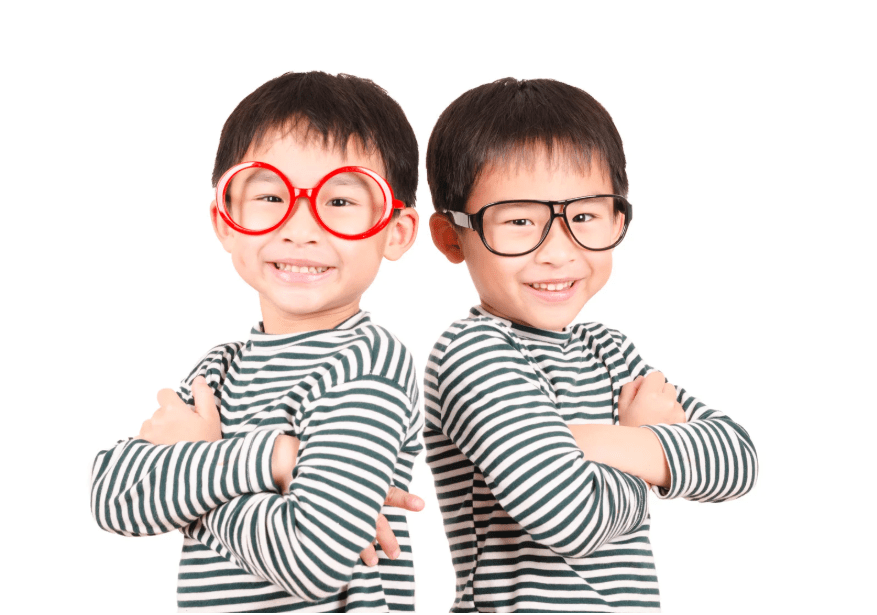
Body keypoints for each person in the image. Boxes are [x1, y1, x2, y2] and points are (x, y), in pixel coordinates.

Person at [91, 71, 424, 612]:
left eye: (339, 203)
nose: (299, 227)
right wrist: (270, 458)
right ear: (226, 222)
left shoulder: (369, 364)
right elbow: (113, 497)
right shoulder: (217, 369)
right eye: (270, 195)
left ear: (396, 232)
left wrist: (199, 464)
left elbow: (310, 559)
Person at [424, 78, 758, 612]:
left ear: (616, 219)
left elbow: (736, 459)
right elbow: (571, 517)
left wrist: (572, 441)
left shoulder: (608, 349)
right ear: (451, 237)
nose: (558, 251)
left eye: (583, 217)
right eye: (518, 221)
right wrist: (644, 441)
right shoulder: (472, 353)